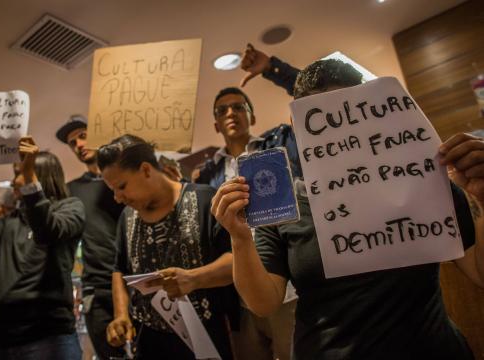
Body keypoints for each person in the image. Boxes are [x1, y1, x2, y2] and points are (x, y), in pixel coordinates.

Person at [211, 60, 484, 359]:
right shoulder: (284, 202)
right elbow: (262, 302)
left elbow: (479, 273)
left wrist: (482, 198)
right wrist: (239, 238)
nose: (337, 133)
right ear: (298, 128)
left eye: (348, 115)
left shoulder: (420, 179)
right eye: (322, 123)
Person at [98, 134, 235, 359]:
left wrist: (193, 278)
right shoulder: (126, 217)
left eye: (121, 186)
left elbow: (234, 261)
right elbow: (120, 270)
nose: (117, 197)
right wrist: (121, 315)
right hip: (148, 341)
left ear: (145, 170)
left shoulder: (204, 200)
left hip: (205, 340)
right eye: (113, 190)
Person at [0, 136, 85, 360]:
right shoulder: (11, 221)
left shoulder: (70, 208)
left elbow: (47, 230)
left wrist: (30, 182)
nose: (13, 182)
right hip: (2, 336)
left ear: (41, 175)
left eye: (19, 173)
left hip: (48, 336)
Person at [194, 86, 299, 360]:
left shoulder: (278, 145)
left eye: (239, 107)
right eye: (222, 110)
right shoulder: (207, 174)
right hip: (237, 290)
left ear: (252, 117)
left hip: (286, 281)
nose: (231, 113)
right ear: (215, 124)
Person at [56, 115, 125, 359]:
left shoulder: (123, 180)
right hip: (95, 288)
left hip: (133, 280)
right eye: (72, 143)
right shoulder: (71, 190)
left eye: (83, 136)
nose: (79, 146)